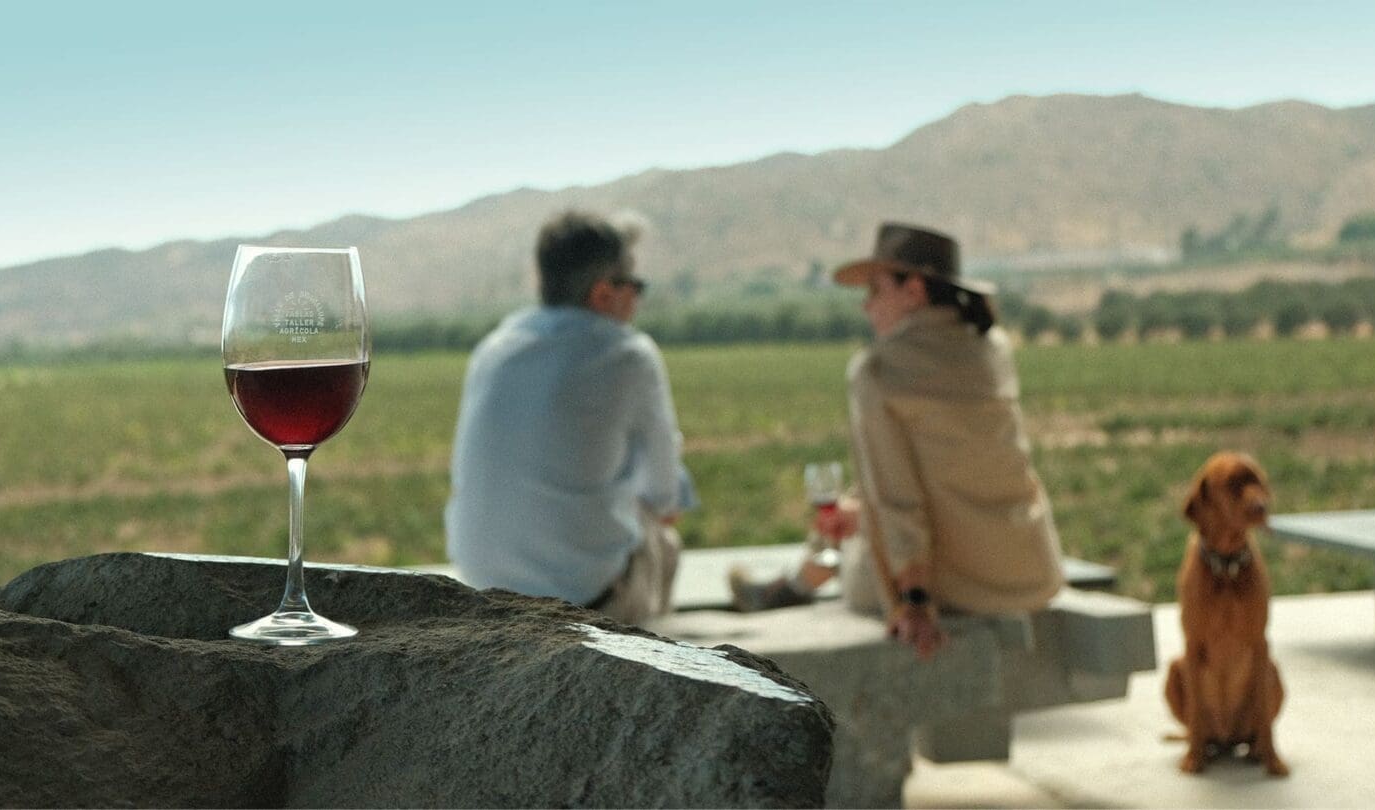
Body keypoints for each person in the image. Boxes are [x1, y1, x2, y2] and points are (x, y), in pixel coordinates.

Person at [732, 223, 1065, 659]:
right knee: (860, 514)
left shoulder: (877, 371)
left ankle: (791, 586)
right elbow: (954, 467)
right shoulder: (993, 349)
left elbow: (897, 497)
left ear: (914, 290)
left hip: (956, 585)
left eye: (875, 289)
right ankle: (796, 578)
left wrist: (913, 601)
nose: (866, 305)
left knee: (858, 540)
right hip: (1029, 569)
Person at [444, 209, 695, 625]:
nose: (637, 297)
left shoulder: (493, 348)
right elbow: (664, 496)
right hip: (584, 600)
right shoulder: (629, 355)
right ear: (603, 294)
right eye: (635, 284)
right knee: (663, 541)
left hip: (481, 590)